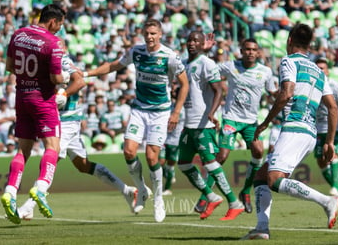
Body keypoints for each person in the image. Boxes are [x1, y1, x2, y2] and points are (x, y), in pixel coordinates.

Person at [17, 42, 138, 220]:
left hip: (66, 121)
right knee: (83, 165)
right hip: (62, 119)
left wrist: (64, 94)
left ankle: (28, 206)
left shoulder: (64, 61)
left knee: (51, 158)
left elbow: (79, 81)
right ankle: (127, 190)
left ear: (63, 49)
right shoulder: (46, 63)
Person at [242, 24, 338, 240]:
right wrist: (330, 141)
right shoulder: (318, 71)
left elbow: (286, 93)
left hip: (294, 127)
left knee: (274, 180)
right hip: (310, 132)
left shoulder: (288, 61)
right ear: (308, 44)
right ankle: (261, 228)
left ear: (289, 41)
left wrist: (266, 122)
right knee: (261, 177)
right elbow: (333, 107)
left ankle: (327, 201)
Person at [85, 19, 189, 223]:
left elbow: (184, 85)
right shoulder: (136, 52)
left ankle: (158, 200)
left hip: (160, 112)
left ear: (160, 35)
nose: (149, 37)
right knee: (129, 151)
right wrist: (88, 73)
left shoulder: (170, 57)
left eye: (153, 33)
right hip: (139, 110)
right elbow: (114, 65)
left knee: (152, 157)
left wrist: (176, 112)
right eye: (147, 33)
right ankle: (142, 190)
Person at [0, 4, 68, 225]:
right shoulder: (52, 42)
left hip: (22, 97)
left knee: (23, 150)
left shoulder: (18, 35)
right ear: (52, 21)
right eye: (59, 25)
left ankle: (10, 191)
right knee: (52, 147)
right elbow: (57, 79)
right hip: (43, 100)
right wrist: (65, 76)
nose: (59, 30)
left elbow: (10, 66)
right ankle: (41, 188)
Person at [196, 38, 277, 217]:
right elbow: (210, 69)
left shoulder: (265, 72)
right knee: (222, 156)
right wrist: (207, 52)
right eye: (247, 49)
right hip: (231, 119)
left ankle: (245, 191)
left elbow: (273, 92)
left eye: (254, 49)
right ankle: (206, 195)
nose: (250, 52)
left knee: (258, 152)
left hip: (251, 122)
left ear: (258, 52)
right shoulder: (231, 66)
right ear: (241, 50)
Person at [177, 31, 243, 221]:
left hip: (202, 122)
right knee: (183, 163)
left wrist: (212, 113)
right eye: (189, 39)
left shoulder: (206, 63)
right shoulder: (185, 64)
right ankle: (211, 196)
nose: (191, 43)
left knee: (211, 163)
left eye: (196, 40)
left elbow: (219, 90)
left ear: (202, 44)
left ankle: (233, 202)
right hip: (189, 122)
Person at [314, 58, 338, 198]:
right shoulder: (311, 85)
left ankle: (335, 187)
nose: (320, 70)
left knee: (333, 154)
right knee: (320, 160)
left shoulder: (334, 85)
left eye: (322, 68)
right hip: (317, 128)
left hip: (333, 127)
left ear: (327, 71)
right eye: (317, 68)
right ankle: (337, 188)